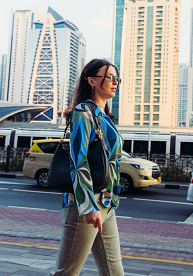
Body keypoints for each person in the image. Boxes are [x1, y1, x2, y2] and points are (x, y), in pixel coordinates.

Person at [51, 59, 124, 276]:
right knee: (67, 273)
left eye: (116, 78)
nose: (114, 82)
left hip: (107, 204)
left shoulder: (105, 118)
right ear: (92, 80)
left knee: (114, 272)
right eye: (108, 77)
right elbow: (78, 158)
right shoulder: (83, 111)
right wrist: (88, 205)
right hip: (86, 204)